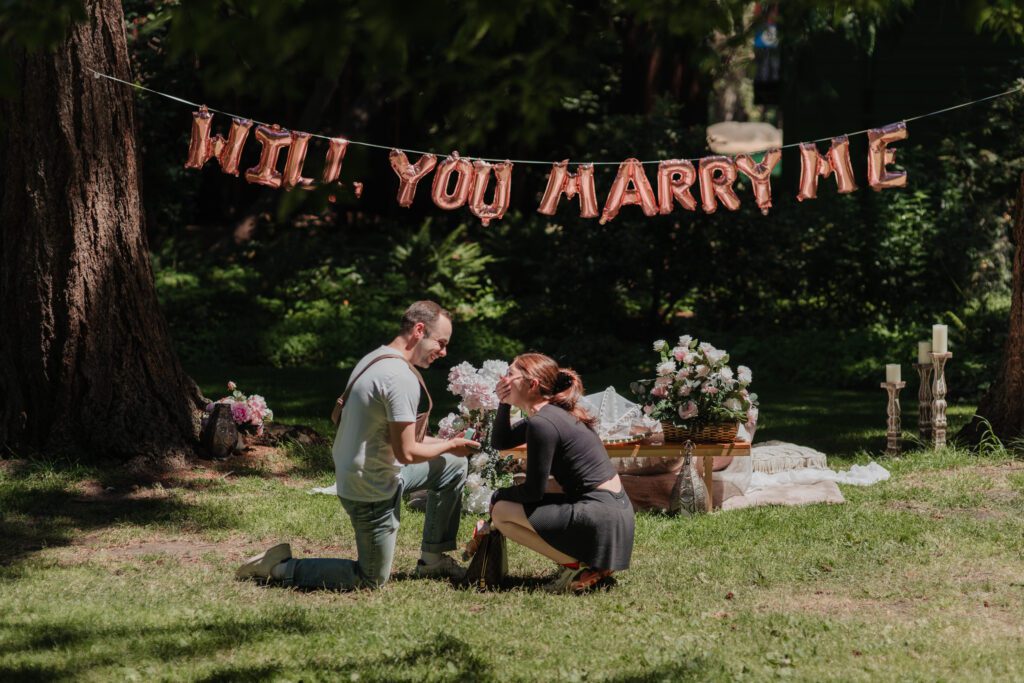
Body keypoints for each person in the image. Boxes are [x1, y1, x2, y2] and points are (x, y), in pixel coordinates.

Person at [236, 301, 479, 589]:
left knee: (452, 465)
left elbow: (399, 438)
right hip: (369, 489)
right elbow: (408, 452)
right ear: (419, 330)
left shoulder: (377, 357)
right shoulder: (400, 377)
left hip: (368, 471)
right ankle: (277, 567)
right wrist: (449, 444)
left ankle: (433, 560)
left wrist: (450, 446)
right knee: (370, 578)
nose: (444, 352)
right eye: (441, 342)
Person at [489, 353, 635, 593]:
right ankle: (587, 562)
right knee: (505, 502)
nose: (503, 379)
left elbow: (533, 492)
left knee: (502, 511)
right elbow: (502, 441)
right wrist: (503, 402)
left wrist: (497, 495)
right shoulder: (552, 414)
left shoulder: (542, 423)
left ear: (532, 384)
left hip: (600, 516)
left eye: (510, 374)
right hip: (614, 514)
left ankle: (578, 565)